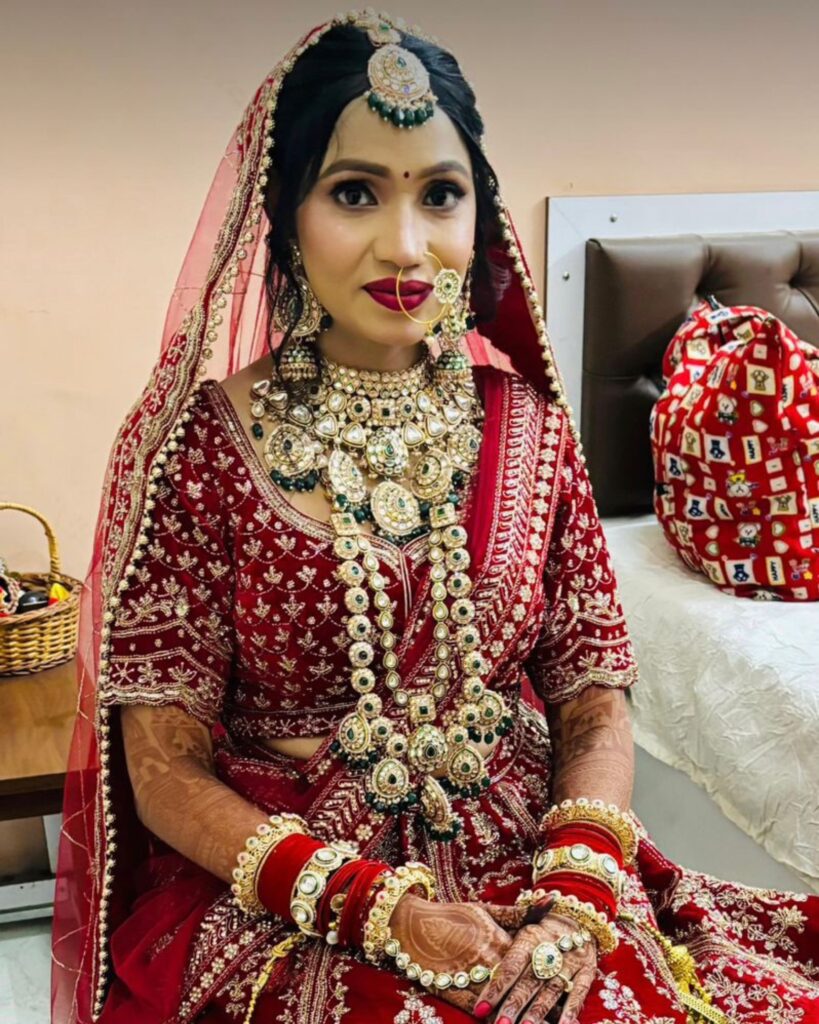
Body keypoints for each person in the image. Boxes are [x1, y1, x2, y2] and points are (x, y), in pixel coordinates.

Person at [51, 9, 819, 1024]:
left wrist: (577, 891)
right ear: (285, 214)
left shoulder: (532, 427)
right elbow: (161, 762)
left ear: (476, 217)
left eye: (440, 195)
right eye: (354, 192)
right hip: (293, 878)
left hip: (533, 852)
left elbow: (592, 694)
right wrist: (378, 911)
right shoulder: (202, 446)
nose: (406, 244)